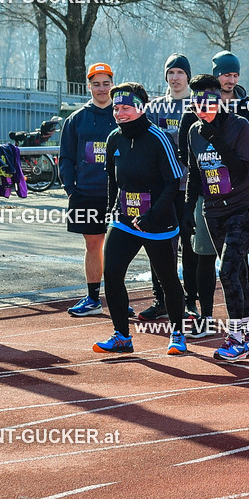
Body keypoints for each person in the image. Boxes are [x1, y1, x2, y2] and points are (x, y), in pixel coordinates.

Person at [92, 83, 186, 355]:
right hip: (123, 220)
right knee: (112, 273)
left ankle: (178, 333)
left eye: (126, 108)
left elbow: (173, 181)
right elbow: (112, 178)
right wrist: (110, 210)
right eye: (116, 108)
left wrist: (152, 215)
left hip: (158, 222)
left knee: (168, 279)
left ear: (141, 108)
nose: (120, 113)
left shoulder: (158, 137)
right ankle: (122, 336)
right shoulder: (114, 139)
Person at [182, 74, 249, 357]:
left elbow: (242, 171)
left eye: (208, 100)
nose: (201, 106)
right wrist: (188, 212)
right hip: (212, 211)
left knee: (227, 271)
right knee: (239, 273)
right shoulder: (192, 131)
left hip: (241, 209)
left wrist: (214, 133)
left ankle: (236, 338)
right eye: (196, 100)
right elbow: (194, 174)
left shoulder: (239, 125)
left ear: (220, 99)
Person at [141, 53, 198, 322]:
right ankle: (160, 299)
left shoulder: (197, 105)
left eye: (180, 73)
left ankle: (190, 301)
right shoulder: (155, 108)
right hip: (162, 188)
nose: (175, 78)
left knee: (189, 244)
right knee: (159, 244)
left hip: (188, 187)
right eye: (171, 73)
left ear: (188, 76)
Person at [60, 62, 118, 318]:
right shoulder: (76, 119)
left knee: (118, 248)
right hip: (85, 193)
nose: (101, 88)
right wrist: (71, 189)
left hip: (119, 194)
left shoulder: (122, 114)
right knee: (93, 245)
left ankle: (118, 298)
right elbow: (66, 157)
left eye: (106, 83)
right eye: (96, 84)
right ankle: (93, 298)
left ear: (112, 85)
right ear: (89, 86)